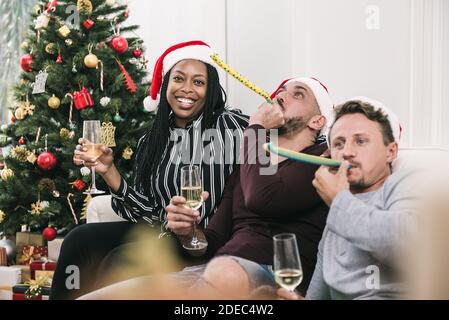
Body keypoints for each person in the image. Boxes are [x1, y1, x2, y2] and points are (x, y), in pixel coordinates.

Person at [78, 77, 335, 300]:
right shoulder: (254, 164)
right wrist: (188, 231)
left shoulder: (322, 160)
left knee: (224, 272)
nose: (282, 95)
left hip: (268, 272)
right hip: (215, 267)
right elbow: (208, 244)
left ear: (317, 121)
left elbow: (262, 198)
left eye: (297, 94)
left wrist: (256, 129)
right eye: (282, 90)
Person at [50, 41, 249, 300]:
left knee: (121, 259)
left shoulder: (231, 127)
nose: (187, 89)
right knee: (79, 238)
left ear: (210, 90)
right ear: (166, 84)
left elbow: (271, 137)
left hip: (203, 239)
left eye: (198, 82)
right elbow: (150, 213)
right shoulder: (152, 140)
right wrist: (109, 172)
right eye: (179, 78)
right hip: (162, 231)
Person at [279, 97, 420, 300]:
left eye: (360, 141)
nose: (347, 152)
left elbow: (410, 246)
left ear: (391, 152)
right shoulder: (334, 219)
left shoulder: (404, 185)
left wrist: (339, 202)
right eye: (339, 143)